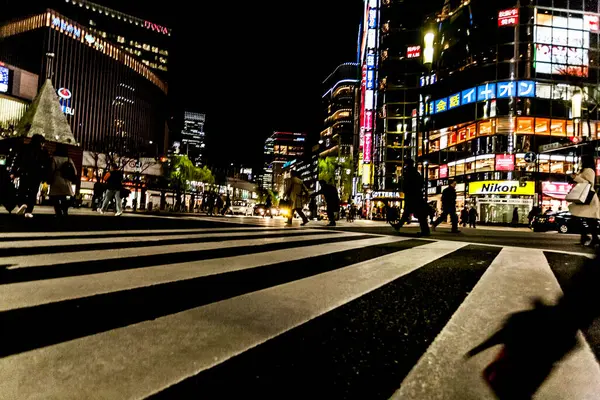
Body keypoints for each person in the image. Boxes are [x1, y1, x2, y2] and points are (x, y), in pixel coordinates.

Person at [12, 134, 50, 218]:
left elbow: (18, 160)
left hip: (25, 173)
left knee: (22, 190)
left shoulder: (25, 148)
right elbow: (47, 165)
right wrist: (45, 177)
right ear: (40, 143)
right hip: (36, 175)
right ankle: (29, 211)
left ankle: (21, 204)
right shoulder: (43, 152)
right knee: (33, 193)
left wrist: (14, 172)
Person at [392, 159, 430, 236]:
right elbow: (421, 183)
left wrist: (405, 189)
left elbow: (405, 184)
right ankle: (399, 225)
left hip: (412, 195)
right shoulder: (416, 173)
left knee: (414, 213)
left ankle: (399, 225)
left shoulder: (408, 173)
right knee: (417, 213)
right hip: (417, 195)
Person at [569, 155, 600, 247]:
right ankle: (590, 237)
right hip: (583, 197)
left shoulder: (589, 170)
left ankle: (590, 237)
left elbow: (589, 183)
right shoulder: (583, 170)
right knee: (585, 219)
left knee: (587, 219)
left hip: (588, 198)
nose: (580, 161)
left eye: (582, 160)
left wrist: (576, 177)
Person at [48, 143, 77, 218]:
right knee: (64, 197)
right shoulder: (68, 159)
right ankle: (64, 210)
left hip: (56, 180)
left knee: (55, 197)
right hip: (66, 180)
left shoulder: (54, 158)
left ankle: (58, 212)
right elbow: (75, 171)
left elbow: (52, 169)